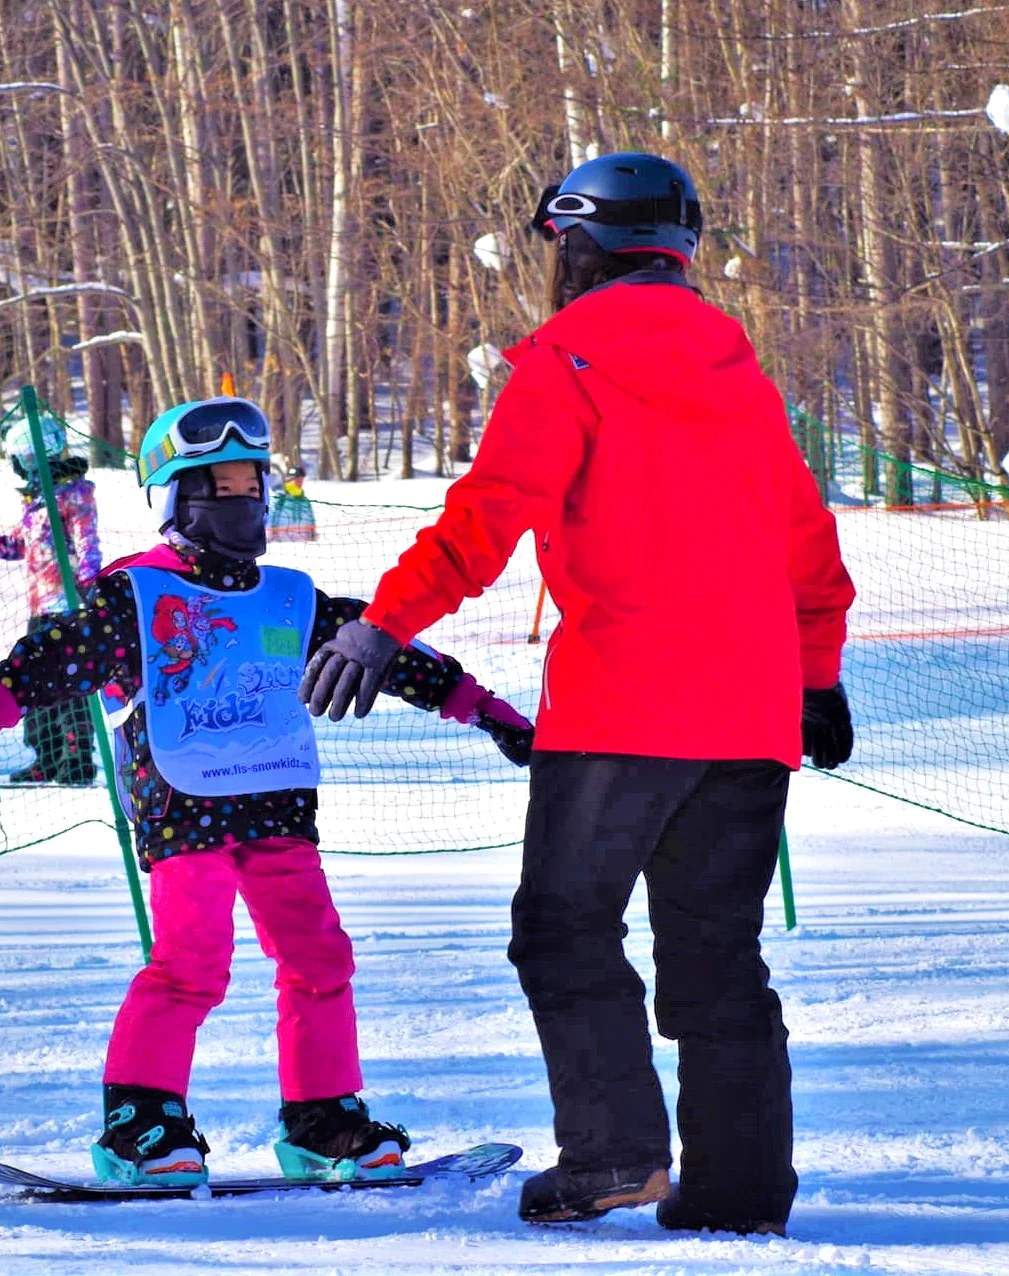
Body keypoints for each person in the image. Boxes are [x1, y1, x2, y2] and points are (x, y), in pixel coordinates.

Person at [299, 153, 857, 1235]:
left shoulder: (567, 363)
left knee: (563, 927)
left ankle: (612, 1157)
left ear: (585, 241)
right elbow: (808, 548)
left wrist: (381, 625)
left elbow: (485, 517)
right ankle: (738, 1193)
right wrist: (818, 680)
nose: (555, 265)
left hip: (621, 710)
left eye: (560, 244)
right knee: (715, 953)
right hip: (747, 719)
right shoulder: (742, 378)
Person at [0, 396, 533, 1188]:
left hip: (275, 804)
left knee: (319, 957)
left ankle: (322, 1119)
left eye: (253, 485)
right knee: (191, 964)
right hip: (185, 806)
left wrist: (492, 715)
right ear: (177, 499)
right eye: (221, 487)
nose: (243, 503)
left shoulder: (288, 598)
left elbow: (395, 655)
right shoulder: (137, 596)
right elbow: (52, 657)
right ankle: (142, 1124)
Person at [0, 412, 101, 785]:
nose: (17, 466)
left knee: (68, 685)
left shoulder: (74, 494)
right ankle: (46, 757)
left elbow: (87, 545)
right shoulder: (39, 499)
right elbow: (18, 545)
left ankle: (76, 760)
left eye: (20, 458)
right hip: (42, 607)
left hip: (69, 608)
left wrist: (89, 590)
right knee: (35, 682)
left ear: (32, 457)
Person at [268, 465, 317, 542]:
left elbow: (310, 519)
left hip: (303, 541)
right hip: (282, 542)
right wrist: (270, 535)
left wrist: (312, 533)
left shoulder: (304, 500)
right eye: (297, 480)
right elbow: (270, 518)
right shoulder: (279, 498)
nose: (300, 483)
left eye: (301, 480)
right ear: (290, 480)